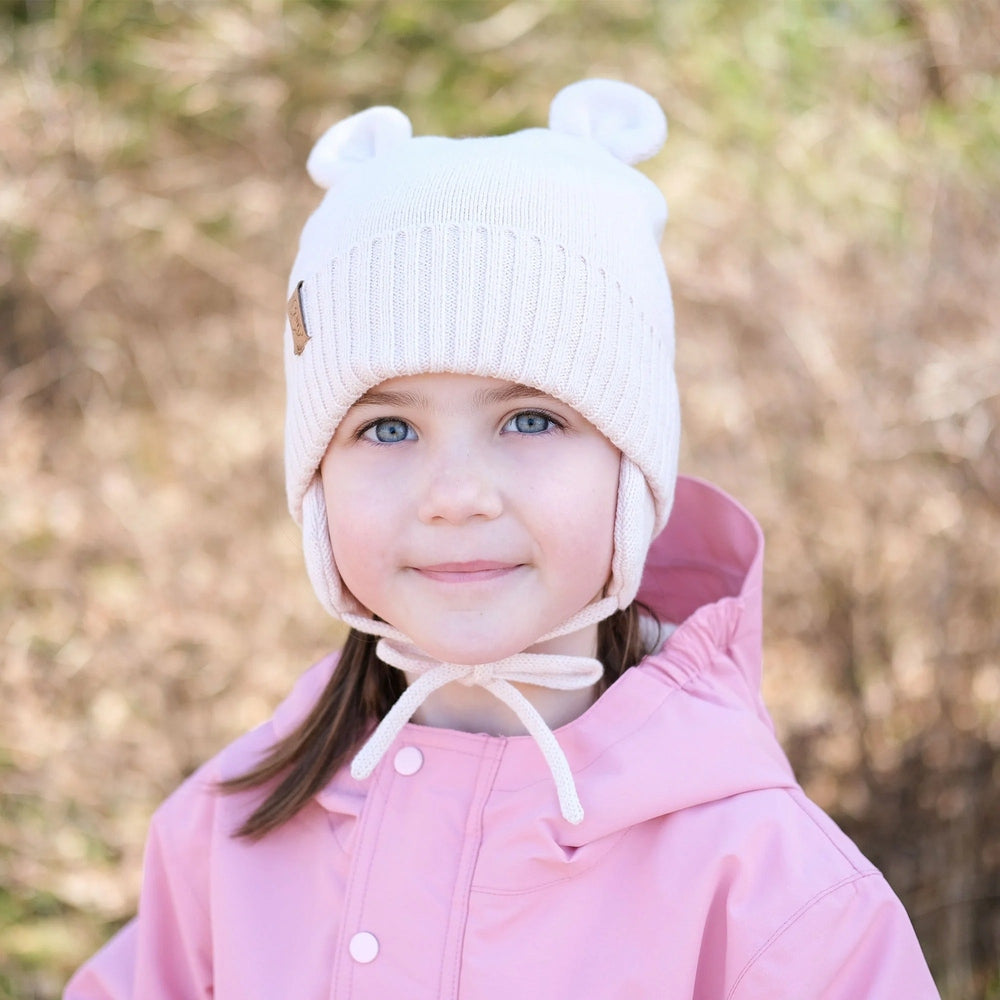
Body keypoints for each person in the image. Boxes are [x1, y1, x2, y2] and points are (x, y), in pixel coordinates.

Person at [65, 79, 939, 999]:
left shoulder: (771, 891)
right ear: (318, 483)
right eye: (388, 430)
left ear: (631, 471)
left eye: (529, 420)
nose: (456, 496)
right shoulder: (225, 835)